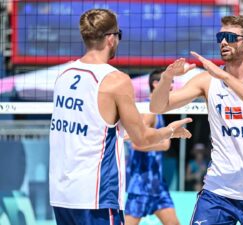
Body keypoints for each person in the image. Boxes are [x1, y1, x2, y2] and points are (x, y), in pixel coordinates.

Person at [49, 9, 192, 225]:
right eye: (119, 35)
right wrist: (171, 130)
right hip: (96, 195)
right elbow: (141, 138)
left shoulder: (63, 74)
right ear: (110, 38)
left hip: (61, 194)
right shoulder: (116, 80)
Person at [150, 15, 243, 224]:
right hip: (218, 189)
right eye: (220, 36)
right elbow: (157, 106)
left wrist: (225, 78)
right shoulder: (207, 80)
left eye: (230, 37)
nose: (223, 42)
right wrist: (168, 77)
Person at [125, 68, 180, 225]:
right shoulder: (149, 111)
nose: (172, 86)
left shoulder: (157, 109)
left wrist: (164, 143)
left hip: (156, 183)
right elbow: (136, 143)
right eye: (170, 82)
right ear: (156, 84)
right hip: (142, 182)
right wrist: (163, 144)